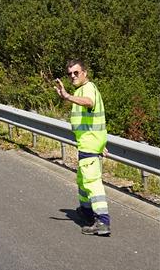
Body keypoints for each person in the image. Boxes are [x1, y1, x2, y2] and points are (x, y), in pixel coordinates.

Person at [54, 59, 110, 236]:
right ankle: (86, 212)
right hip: (89, 144)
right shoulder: (81, 89)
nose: (72, 76)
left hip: (90, 146)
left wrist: (68, 97)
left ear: (85, 72)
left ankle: (102, 221)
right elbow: (94, 120)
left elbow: (89, 102)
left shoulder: (88, 89)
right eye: (70, 73)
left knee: (92, 183)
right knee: (82, 180)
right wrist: (101, 143)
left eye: (76, 73)